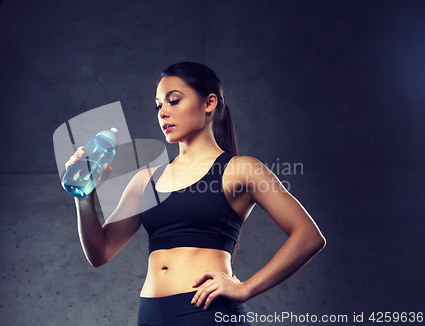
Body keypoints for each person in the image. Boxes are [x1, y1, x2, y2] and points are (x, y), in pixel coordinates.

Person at [65, 62, 326, 325]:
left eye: (174, 101)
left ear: (209, 103)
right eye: (159, 106)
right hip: (152, 316)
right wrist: (84, 196)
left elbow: (309, 235)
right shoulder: (145, 180)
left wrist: (246, 288)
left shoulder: (241, 169)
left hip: (208, 314)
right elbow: (100, 253)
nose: (163, 113)